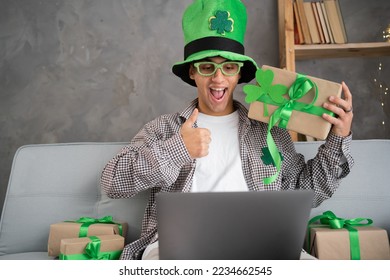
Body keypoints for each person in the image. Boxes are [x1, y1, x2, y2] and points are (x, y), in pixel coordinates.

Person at [100, 0, 354, 260]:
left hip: (260, 242)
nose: (218, 79)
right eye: (207, 66)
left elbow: (308, 191)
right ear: (192, 72)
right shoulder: (163, 129)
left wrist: (338, 137)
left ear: (238, 73)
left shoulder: (270, 132)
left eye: (228, 67)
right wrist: (178, 150)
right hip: (179, 249)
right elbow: (113, 183)